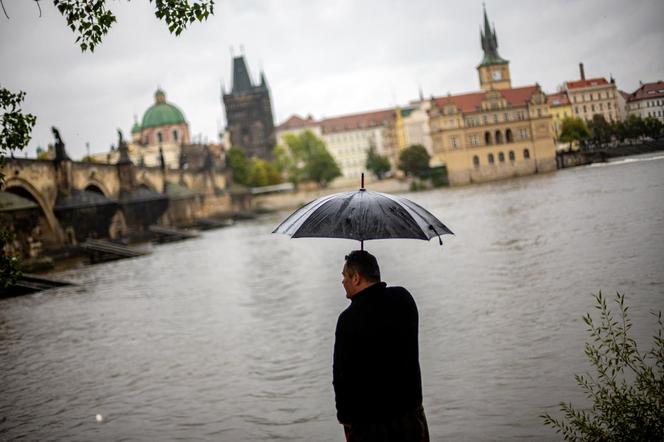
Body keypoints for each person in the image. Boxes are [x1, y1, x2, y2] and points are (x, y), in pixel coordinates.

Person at [333, 250, 429, 442]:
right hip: (411, 417)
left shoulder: (348, 319)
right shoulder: (404, 298)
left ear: (357, 278)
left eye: (344, 276)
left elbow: (341, 376)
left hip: (370, 425)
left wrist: (345, 418)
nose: (343, 282)